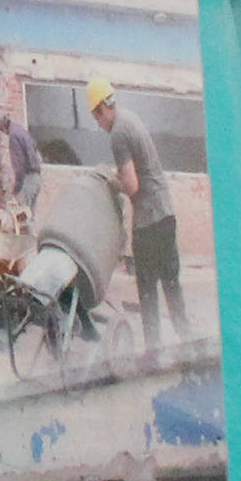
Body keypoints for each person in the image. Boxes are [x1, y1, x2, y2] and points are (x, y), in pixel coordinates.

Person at [92, 79, 181, 352]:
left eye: (97, 117)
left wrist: (112, 181)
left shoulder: (118, 133)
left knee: (147, 290)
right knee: (172, 285)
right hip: (165, 213)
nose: (98, 124)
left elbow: (131, 185)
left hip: (149, 221)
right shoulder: (130, 118)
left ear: (101, 110)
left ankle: (153, 353)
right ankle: (191, 343)